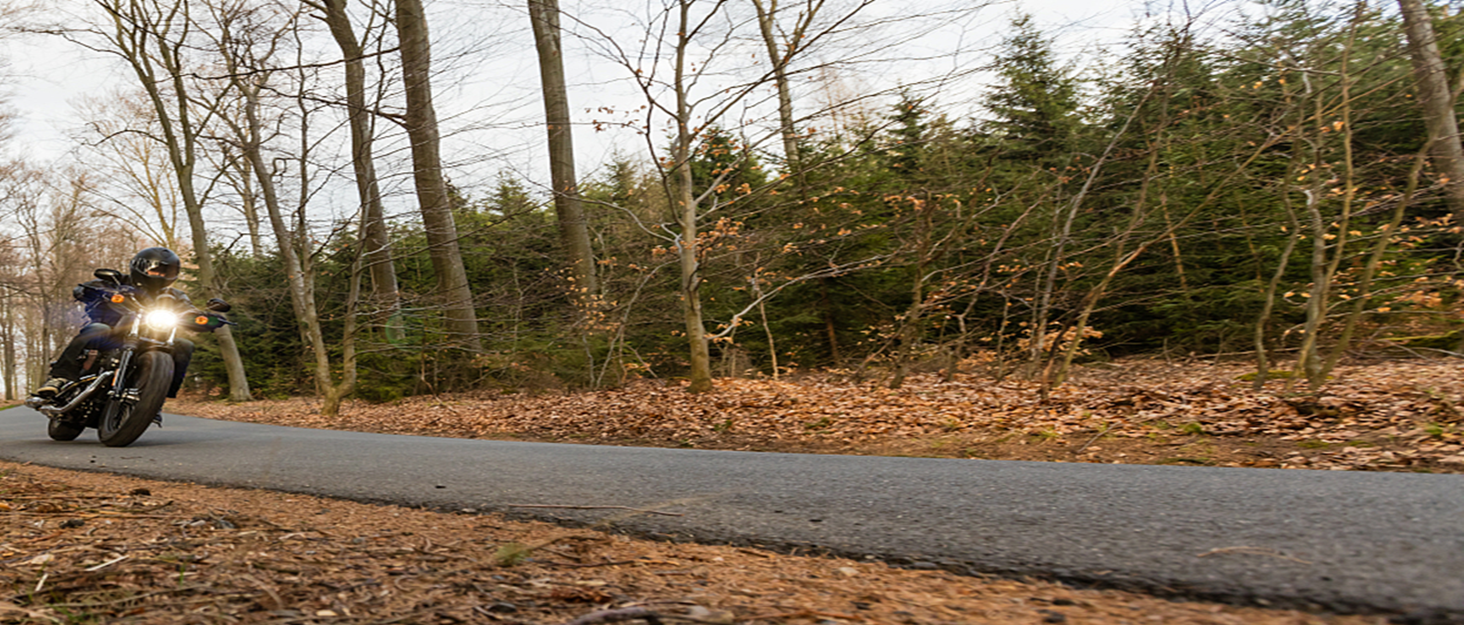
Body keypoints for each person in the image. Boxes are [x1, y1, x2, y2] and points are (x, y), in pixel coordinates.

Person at [35, 247, 198, 400]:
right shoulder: (117, 282)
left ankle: (158, 396)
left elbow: (189, 310)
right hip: (111, 335)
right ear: (139, 267)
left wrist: (201, 317)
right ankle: (59, 378)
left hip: (149, 340)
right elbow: (84, 289)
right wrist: (99, 291)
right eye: (155, 270)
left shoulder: (174, 295)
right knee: (97, 329)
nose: (159, 275)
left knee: (184, 345)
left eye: (165, 273)